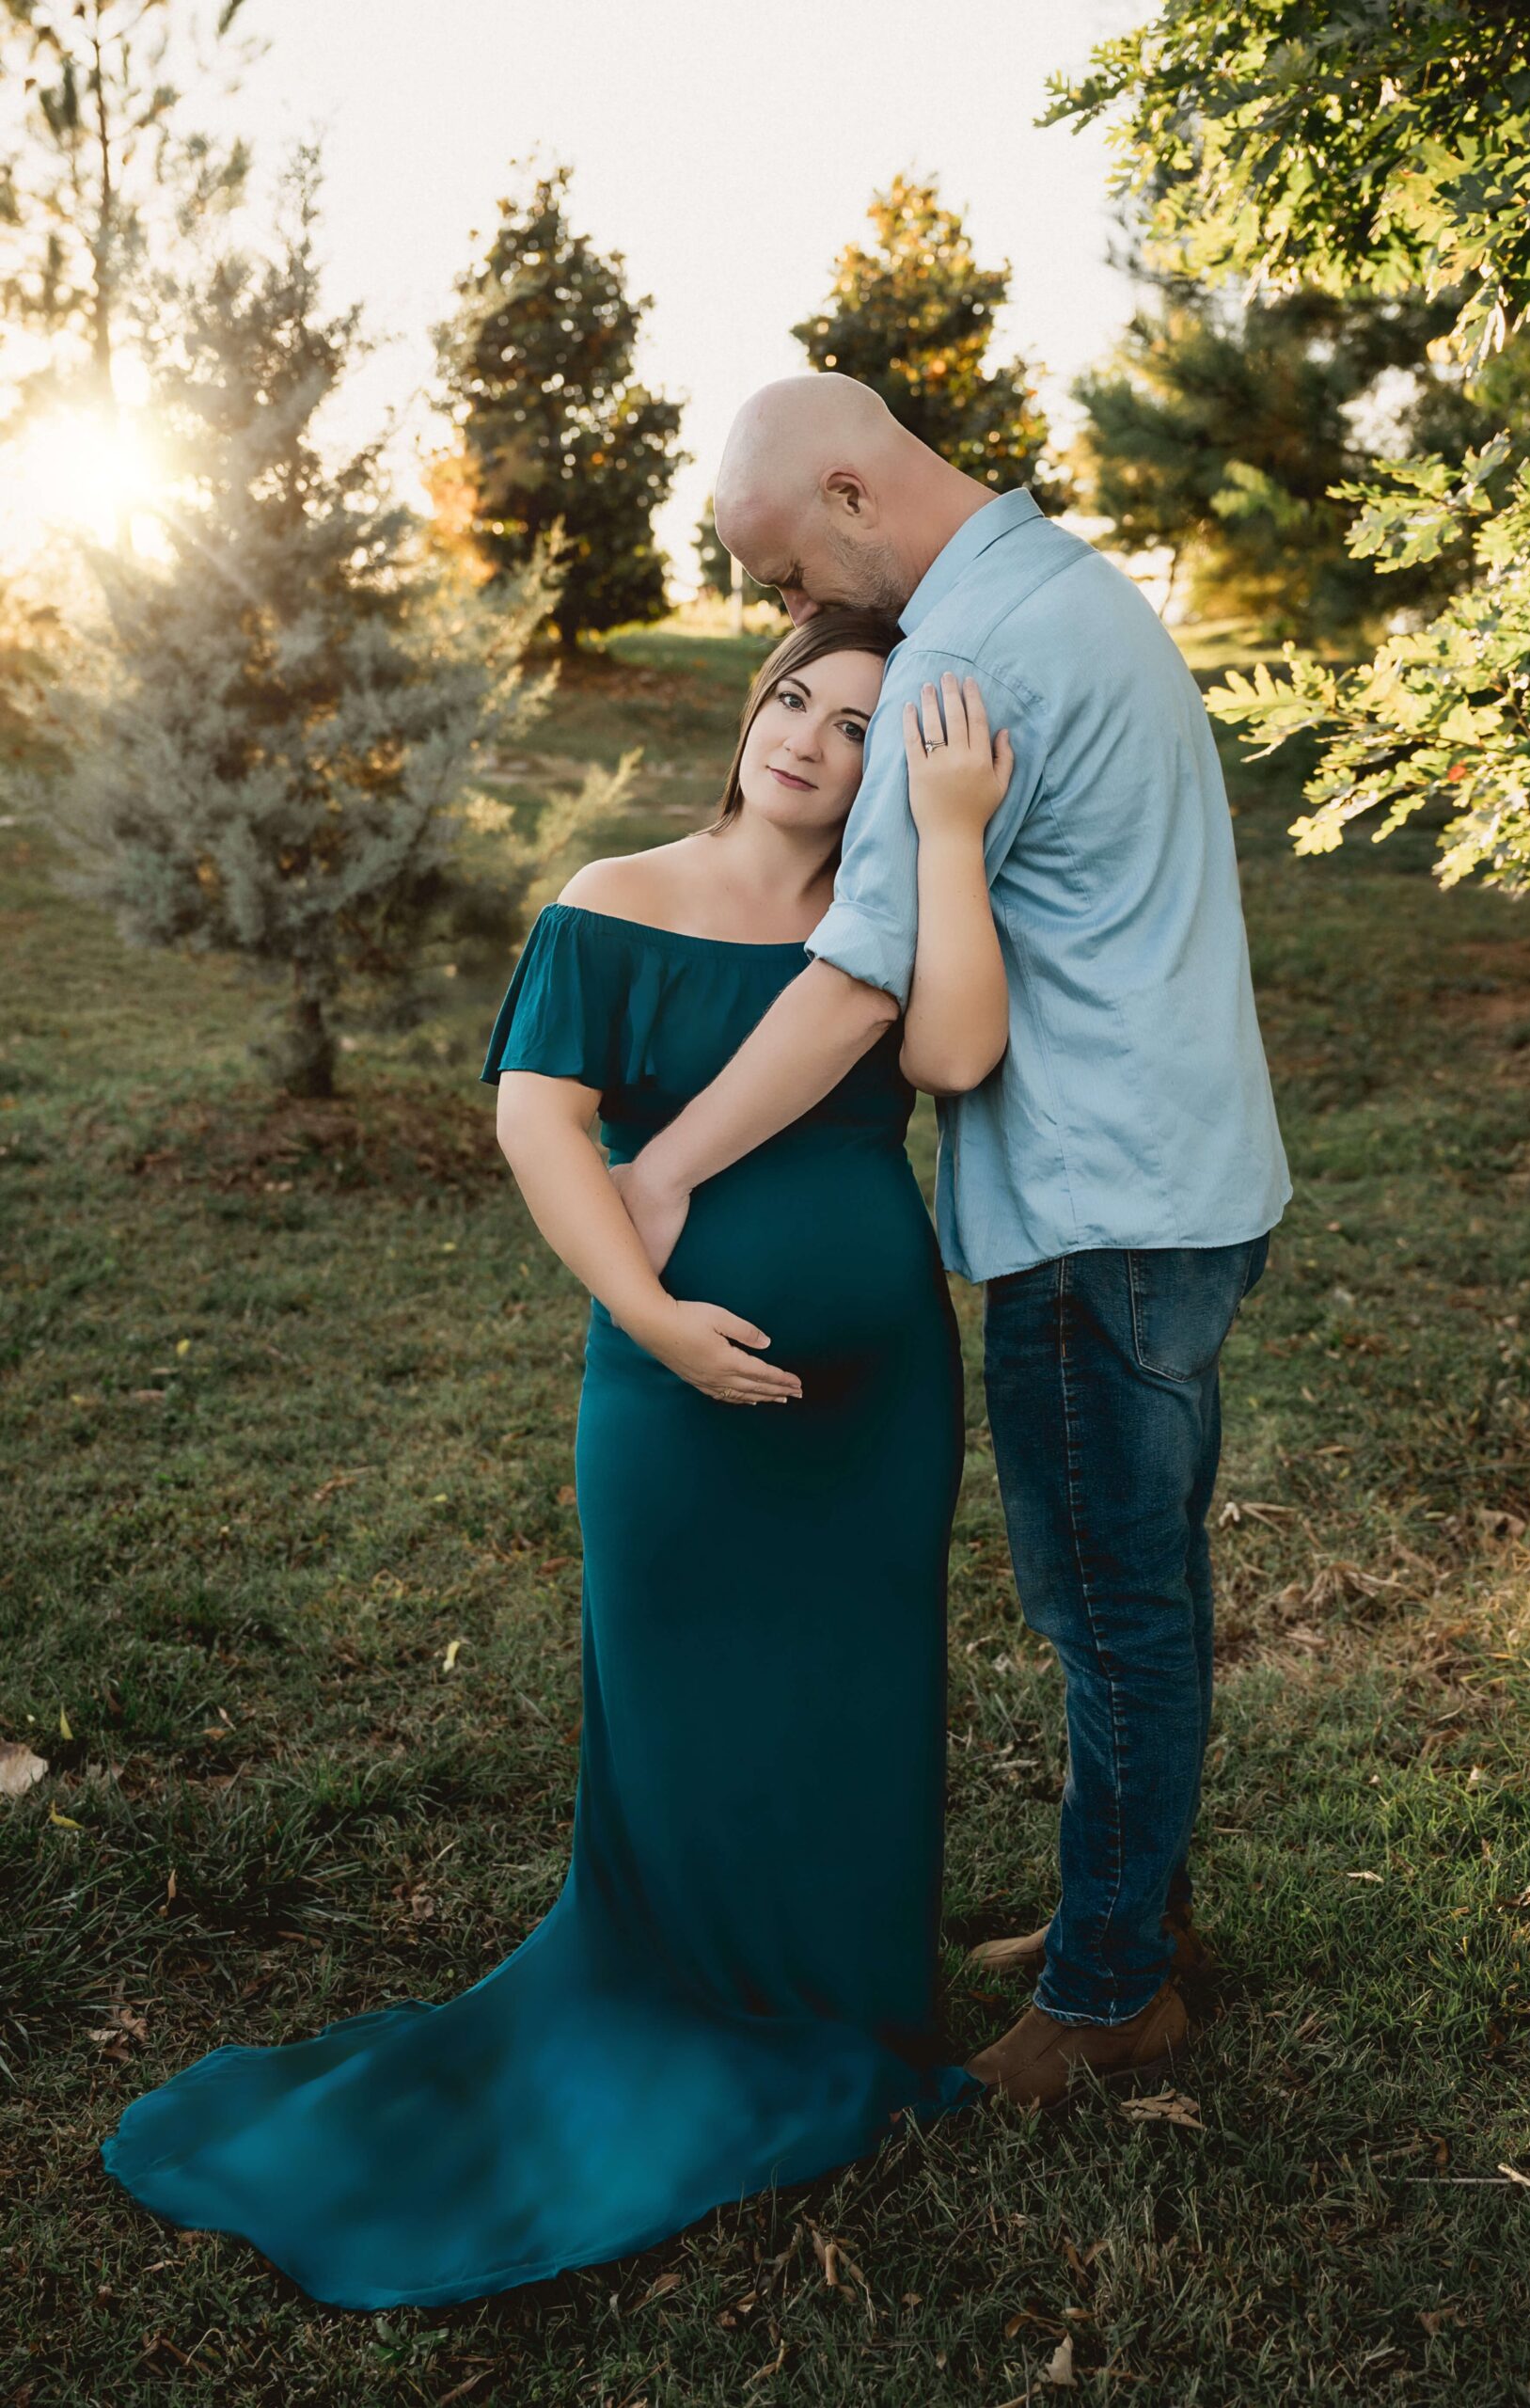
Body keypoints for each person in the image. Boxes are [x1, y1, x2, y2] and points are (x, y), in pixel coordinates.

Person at [100, 607, 1013, 2308]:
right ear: (753, 707)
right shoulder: (616, 893)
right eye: (792, 696)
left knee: (861, 1690)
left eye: (854, 724)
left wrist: (950, 836)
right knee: (684, 1704)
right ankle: (684, 1995)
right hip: (665, 1394)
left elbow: (958, 1058)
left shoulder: (884, 919)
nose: (806, 736)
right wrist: (654, 1319)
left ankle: (852, 1997)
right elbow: (541, 1119)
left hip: (879, 1405)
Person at [612, 374, 1292, 2107]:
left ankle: (1111, 1991)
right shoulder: (1066, 582)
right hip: (1191, 1178)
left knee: (1109, 1610)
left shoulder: (959, 660)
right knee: (1152, 1587)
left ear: (851, 490)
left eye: (779, 575)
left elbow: (862, 994)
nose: (789, 622)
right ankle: (1144, 1910)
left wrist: (667, 1163)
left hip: (1099, 1209)